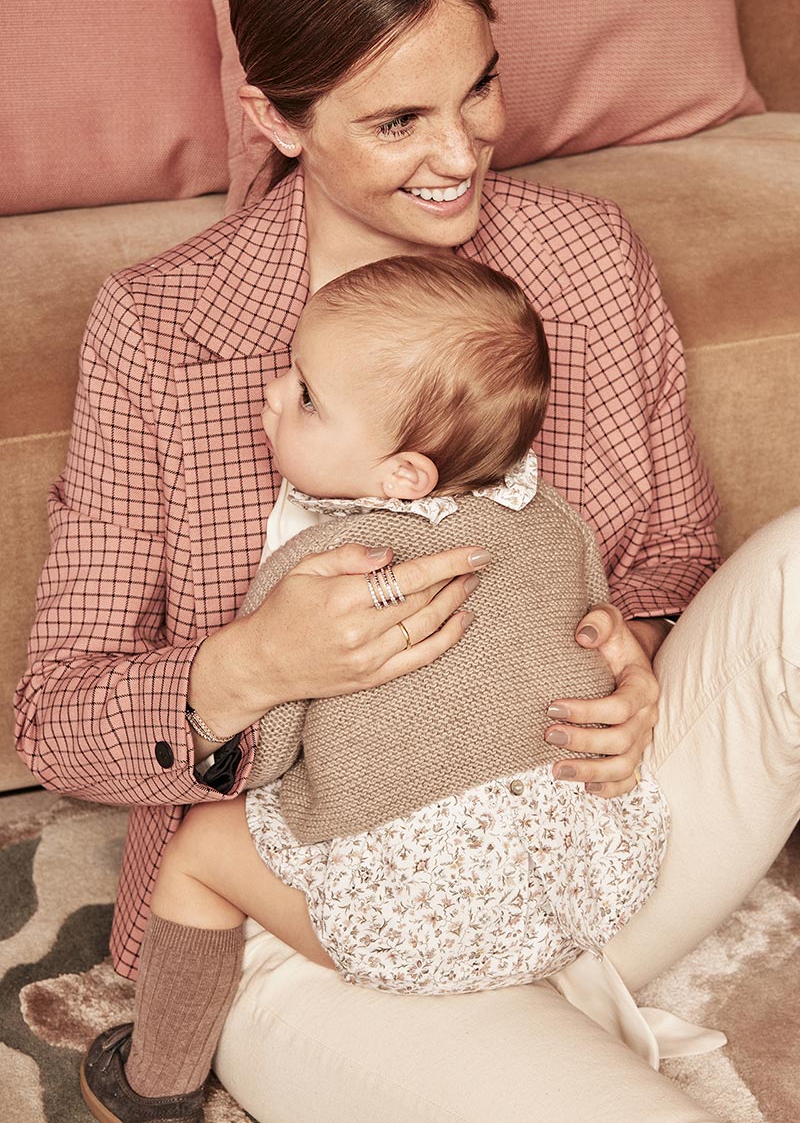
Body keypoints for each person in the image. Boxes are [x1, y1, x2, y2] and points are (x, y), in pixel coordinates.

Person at [13, 0, 797, 1120]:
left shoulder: (583, 258)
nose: (459, 151)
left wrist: (632, 653)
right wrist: (250, 666)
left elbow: (675, 549)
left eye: (475, 85)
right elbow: (56, 717)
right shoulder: (159, 331)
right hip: (327, 916)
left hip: (589, 841)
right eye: (394, 123)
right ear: (278, 117)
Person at [80, 253, 671, 1123]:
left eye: (308, 396)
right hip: (590, 873)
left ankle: (153, 1083)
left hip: (424, 922)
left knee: (203, 847)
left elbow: (266, 752)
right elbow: (588, 628)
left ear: (403, 477)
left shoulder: (313, 567)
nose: (276, 394)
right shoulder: (559, 525)